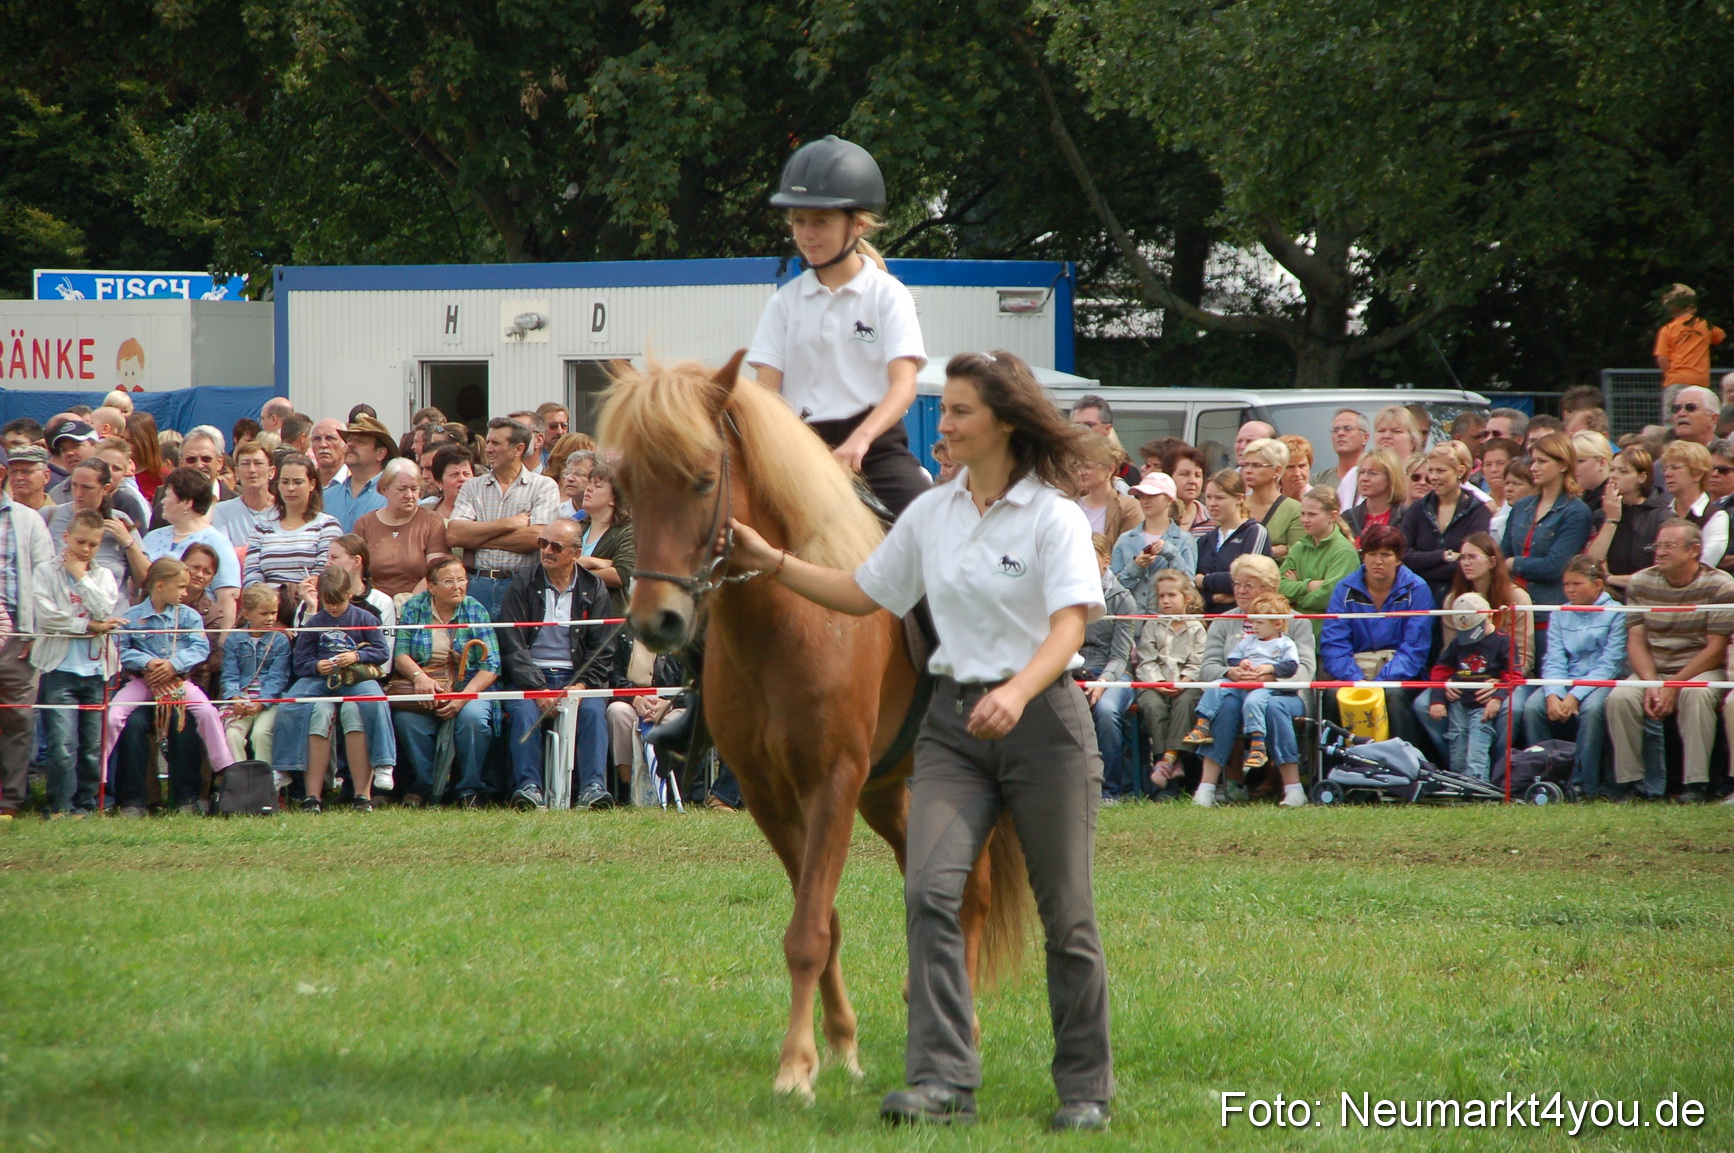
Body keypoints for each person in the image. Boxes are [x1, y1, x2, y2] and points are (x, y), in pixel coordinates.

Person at [725, 349, 1114, 1130]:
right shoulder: (932, 512)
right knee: (929, 891)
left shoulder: (1053, 516)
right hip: (952, 728)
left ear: (1004, 422)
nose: (945, 427)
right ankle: (941, 1081)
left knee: (1066, 914)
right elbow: (863, 591)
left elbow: (1072, 622)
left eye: (961, 411)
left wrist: (1015, 688)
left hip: (1043, 724)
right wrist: (774, 562)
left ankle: (1084, 1090)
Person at [747, 135, 930, 517]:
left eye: (821, 221)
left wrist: (861, 440)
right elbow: (765, 395)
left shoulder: (887, 294)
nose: (807, 234)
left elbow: (904, 385)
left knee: (930, 523)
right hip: (800, 449)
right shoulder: (784, 302)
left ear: (859, 224)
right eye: (799, 222)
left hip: (875, 451)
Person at [1608, 520, 1734, 802]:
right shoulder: (1641, 582)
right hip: (1654, 667)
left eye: (1669, 546)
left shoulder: (1720, 585)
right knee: (1620, 697)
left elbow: (1716, 649)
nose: (1660, 552)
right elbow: (1636, 641)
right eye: (1658, 545)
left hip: (1702, 668)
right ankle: (1632, 783)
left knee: (1695, 694)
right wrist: (1654, 683)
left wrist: (1675, 684)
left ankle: (1696, 783)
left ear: (1694, 551)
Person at [498, 518, 617, 811]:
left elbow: (602, 649)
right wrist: (537, 688)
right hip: (530, 675)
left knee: (592, 708)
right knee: (525, 710)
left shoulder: (594, 586)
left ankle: (593, 788)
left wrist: (579, 686)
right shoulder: (523, 582)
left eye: (556, 546)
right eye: (542, 543)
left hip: (576, 677)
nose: (546, 551)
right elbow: (511, 644)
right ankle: (529, 788)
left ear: (576, 553)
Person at [105, 558, 236, 816]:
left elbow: (200, 647)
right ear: (161, 586)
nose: (185, 593)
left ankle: (224, 768)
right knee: (113, 716)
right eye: (180, 587)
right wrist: (149, 663)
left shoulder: (189, 616)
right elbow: (122, 649)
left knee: (207, 712)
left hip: (178, 683)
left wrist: (173, 665)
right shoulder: (132, 617)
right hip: (143, 682)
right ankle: (102, 774)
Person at [1191, 556, 1316, 808]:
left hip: (1285, 695)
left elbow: (1305, 670)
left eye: (1249, 585)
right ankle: (1206, 788)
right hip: (1239, 692)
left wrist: (1272, 676)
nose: (1240, 590)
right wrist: (1230, 672)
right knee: (1224, 705)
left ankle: (1293, 788)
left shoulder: (1296, 621)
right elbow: (1207, 668)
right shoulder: (1225, 620)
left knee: (1272, 707)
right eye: (1237, 584)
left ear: (1270, 589)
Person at [271, 566, 397, 813]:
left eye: (337, 602)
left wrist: (356, 655)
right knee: (289, 704)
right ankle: (284, 767)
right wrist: (317, 665)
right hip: (321, 679)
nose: (333, 608)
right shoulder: (315, 622)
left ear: (349, 594)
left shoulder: (366, 618)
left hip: (356, 677)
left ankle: (384, 764)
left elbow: (382, 652)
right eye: (327, 603)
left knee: (377, 700)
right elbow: (300, 661)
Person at [31, 509, 125, 818]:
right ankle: (60, 805)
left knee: (92, 747)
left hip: (97, 671)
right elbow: (47, 617)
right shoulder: (45, 572)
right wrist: (86, 626)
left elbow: (104, 608)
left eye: (93, 544)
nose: (85, 549)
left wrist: (81, 577)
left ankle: (88, 805)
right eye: (80, 541)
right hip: (59, 670)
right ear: (66, 537)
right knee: (61, 745)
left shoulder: (103, 575)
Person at [391, 556, 499, 807]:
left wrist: (465, 696)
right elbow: (401, 655)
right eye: (449, 581)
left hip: (468, 683)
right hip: (427, 681)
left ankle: (469, 789)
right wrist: (420, 677)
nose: (458, 586)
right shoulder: (414, 608)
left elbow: (492, 665)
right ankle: (430, 787)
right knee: (407, 721)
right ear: (431, 586)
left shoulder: (475, 610)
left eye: (462, 580)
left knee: (473, 719)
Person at [1319, 525, 1435, 753]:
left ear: (1399, 559)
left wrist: (1383, 680)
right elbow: (1334, 643)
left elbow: (1415, 647)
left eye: (1385, 555)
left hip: (1399, 672)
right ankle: (1338, 770)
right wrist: (1355, 679)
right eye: (1371, 554)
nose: (1377, 561)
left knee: (1393, 694)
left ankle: (1406, 766)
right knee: (1332, 695)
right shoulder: (1344, 589)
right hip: (1355, 670)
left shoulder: (1417, 589)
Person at [1519, 557, 1626, 798]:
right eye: (1566, 584)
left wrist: (1574, 696)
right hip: (1566, 679)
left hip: (1601, 681)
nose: (1569, 590)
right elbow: (1554, 658)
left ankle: (1583, 784)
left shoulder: (1616, 613)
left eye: (1576, 584)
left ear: (1598, 584)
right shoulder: (1560, 613)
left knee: (1592, 710)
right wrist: (1553, 693)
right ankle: (1545, 778)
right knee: (1532, 708)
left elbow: (1610, 663)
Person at [447, 418, 561, 618]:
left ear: (518, 449)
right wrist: (509, 524)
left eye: (496, 443)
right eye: (488, 442)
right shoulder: (472, 486)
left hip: (521, 584)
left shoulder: (544, 486)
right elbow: (455, 535)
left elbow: (536, 538)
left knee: (517, 647)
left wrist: (478, 539)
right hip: (478, 584)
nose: (488, 449)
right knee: (475, 647)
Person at [1184, 591, 1299, 780]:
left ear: (1278, 624)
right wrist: (1240, 666)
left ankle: (1257, 744)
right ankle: (1202, 725)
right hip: (1241, 681)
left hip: (1265, 686)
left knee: (1254, 701)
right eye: (1252, 622)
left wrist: (1269, 669)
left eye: (1259, 623)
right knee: (1218, 686)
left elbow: (1291, 666)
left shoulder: (1286, 644)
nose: (1254, 626)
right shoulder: (1249, 641)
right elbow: (1233, 657)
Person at [0, 444, 55, 821]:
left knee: (18, 721)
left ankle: (11, 800)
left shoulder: (28, 520)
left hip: (18, 638)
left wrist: (34, 634)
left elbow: (45, 578)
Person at [1502, 431, 1593, 657]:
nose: (1534, 467)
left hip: (1548, 614)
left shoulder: (1576, 511)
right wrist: (1509, 563)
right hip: (1512, 610)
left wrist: (1514, 563)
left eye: (1542, 461)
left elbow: (1556, 566)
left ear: (1563, 465)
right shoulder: (1521, 506)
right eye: (1532, 461)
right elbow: (1501, 556)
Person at [136, 467, 241, 632]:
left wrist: (222, 643)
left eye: (168, 496)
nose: (162, 501)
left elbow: (227, 597)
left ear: (187, 502)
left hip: (195, 630)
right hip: (148, 628)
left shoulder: (217, 541)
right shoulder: (152, 537)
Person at [1424, 593, 1513, 781]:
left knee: (1477, 744)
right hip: (1458, 703)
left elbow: (1512, 674)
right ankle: (1458, 782)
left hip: (1482, 705)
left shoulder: (1503, 642)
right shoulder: (1458, 643)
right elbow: (1440, 670)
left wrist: (1498, 697)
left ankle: (1478, 783)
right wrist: (1437, 698)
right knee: (1456, 741)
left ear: (1489, 615)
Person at [1136, 570, 1207, 796]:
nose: (1165, 600)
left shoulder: (1197, 628)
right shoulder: (1152, 626)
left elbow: (1198, 661)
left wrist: (1184, 682)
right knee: (1152, 705)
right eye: (1161, 596)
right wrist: (1157, 683)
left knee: (1186, 703)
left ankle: (1167, 759)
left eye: (1171, 595)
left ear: (1186, 598)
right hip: (1156, 683)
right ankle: (1170, 761)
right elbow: (1146, 660)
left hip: (1186, 684)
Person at [1398, 440, 1492, 607]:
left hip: (1461, 601)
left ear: (1460, 471)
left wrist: (1422, 566)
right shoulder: (1417, 509)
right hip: (1417, 601)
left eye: (1441, 471)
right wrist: (1444, 556)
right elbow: (1402, 556)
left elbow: (1471, 564)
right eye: (1431, 470)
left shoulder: (1478, 512)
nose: (1433, 477)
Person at [1081, 535, 1137, 804]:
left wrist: (1103, 681)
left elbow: (1120, 656)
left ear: (1106, 561)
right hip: (1075, 670)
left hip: (1114, 673)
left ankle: (1110, 791)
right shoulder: (1065, 594)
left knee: (1105, 710)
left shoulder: (1123, 600)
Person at [242, 452, 343, 597]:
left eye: (297, 482)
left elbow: (325, 570)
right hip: (268, 606)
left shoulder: (327, 525)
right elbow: (252, 573)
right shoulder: (263, 527)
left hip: (308, 602)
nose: (290, 488)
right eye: (285, 482)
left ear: (312, 484)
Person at [353, 459, 449, 599]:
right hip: (373, 603)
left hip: (419, 603)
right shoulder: (365, 524)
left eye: (414, 489)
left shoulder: (431, 521)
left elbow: (436, 571)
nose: (409, 495)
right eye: (402, 489)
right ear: (384, 489)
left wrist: (410, 602)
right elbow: (355, 572)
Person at [220, 584, 292, 766]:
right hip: (242, 700)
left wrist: (261, 703)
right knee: (232, 734)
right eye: (264, 614)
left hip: (269, 702)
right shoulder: (234, 640)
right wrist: (235, 698)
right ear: (247, 614)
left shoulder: (280, 641)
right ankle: (240, 781)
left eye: (273, 613)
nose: (270, 618)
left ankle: (266, 781)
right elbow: (229, 675)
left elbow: (278, 678)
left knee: (260, 733)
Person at [1279, 486, 1361, 638]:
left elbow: (1329, 597)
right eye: (1303, 514)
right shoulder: (1299, 547)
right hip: (1295, 636)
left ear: (1333, 516)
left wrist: (1296, 598)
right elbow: (1279, 587)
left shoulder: (1344, 552)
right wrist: (1310, 586)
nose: (1305, 519)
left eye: (1312, 514)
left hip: (1328, 637)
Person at [1586, 447, 1667, 597]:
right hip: (1611, 598)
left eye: (1623, 471)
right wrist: (1611, 520)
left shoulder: (1661, 516)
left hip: (1650, 597)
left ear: (1642, 477)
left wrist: (1610, 578)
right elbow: (1592, 564)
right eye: (1612, 470)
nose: (1614, 476)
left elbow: (1659, 574)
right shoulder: (1602, 513)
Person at [1109, 472, 1196, 611]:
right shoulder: (1124, 540)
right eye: (1141, 495)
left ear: (1169, 499)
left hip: (1167, 625)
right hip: (1132, 625)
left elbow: (1188, 586)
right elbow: (1114, 590)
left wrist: (1170, 552)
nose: (1145, 500)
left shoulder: (1185, 540)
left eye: (1152, 495)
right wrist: (1135, 566)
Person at [1194, 469, 1272, 610]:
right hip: (1208, 622)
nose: (1212, 503)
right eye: (1209, 497)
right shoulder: (1204, 541)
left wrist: (1204, 580)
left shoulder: (1255, 532)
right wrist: (1212, 597)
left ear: (1240, 499)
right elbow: (1192, 585)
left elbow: (1248, 577)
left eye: (1219, 498)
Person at [1653, 284, 1725, 418]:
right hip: (1700, 380)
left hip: (1676, 379)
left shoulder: (1667, 329)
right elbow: (1720, 337)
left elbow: (1662, 357)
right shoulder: (1703, 324)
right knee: (1701, 417)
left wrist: (1670, 374)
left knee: (1672, 419)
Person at [576, 461, 635, 618]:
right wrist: (597, 563)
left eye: (598, 485)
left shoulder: (627, 531)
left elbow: (620, 575)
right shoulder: (577, 528)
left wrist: (576, 568)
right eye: (589, 483)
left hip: (607, 617)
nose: (588, 488)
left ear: (613, 499)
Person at [1657, 439, 1729, 567]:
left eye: (1675, 468)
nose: (1667, 474)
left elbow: (1705, 563)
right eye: (1666, 469)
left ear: (1698, 474)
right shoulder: (1660, 513)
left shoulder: (1715, 517)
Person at [324, 414, 395, 531]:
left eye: (361, 441)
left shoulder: (396, 496)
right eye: (349, 441)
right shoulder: (327, 496)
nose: (350, 445)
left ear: (380, 453)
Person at [1240, 438, 1301, 559]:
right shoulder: (1238, 506)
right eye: (1245, 465)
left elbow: (1296, 556)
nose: (1248, 470)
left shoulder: (1295, 510)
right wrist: (1271, 551)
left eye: (1256, 465)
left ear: (1276, 471)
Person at [324, 534, 397, 635]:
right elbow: (302, 645)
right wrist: (310, 609)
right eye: (327, 558)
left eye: (334, 557)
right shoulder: (315, 599)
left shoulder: (381, 602)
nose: (327, 564)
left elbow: (384, 648)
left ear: (356, 561)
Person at [211, 439, 278, 548]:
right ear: (237, 472)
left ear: (272, 471)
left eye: (258, 463)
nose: (251, 470)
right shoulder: (222, 511)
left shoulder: (283, 510)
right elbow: (223, 552)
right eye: (245, 464)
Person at [1343, 448, 1406, 543]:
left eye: (1372, 473)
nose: (1364, 478)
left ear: (1391, 477)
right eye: (1362, 472)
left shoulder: (1406, 517)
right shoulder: (1348, 518)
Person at [1075, 454, 1140, 542]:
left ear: (1110, 469)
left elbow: (1131, 548)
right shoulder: (1073, 505)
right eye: (1078, 467)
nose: (1081, 472)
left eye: (1088, 467)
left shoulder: (1129, 507)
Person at [1162, 444, 1215, 542]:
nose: (1193, 481)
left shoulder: (1213, 522)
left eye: (1198, 475)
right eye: (1185, 474)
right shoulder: (1156, 518)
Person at [1571, 431, 1615, 533]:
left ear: (1602, 462)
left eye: (1580, 461)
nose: (1573, 467)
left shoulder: (1611, 499)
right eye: (1570, 461)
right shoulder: (1586, 495)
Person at [1479, 436, 1521, 541]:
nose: (1493, 469)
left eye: (1500, 463)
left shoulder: (1522, 503)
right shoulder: (1477, 502)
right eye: (1488, 464)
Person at [422, 443, 475, 522]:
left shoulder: (483, 512)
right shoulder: (424, 513)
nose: (462, 479)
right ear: (439, 482)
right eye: (455, 475)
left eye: (466, 474)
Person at [125, 412, 168, 501]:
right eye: (121, 438)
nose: (124, 444)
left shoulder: (163, 477)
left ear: (145, 443)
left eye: (130, 441)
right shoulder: (113, 471)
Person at [6, 445, 56, 520]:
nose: (18, 477)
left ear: (45, 476)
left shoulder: (60, 515)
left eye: (26, 471)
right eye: (13, 472)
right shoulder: (4, 514)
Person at [554, 449, 597, 521]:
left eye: (578, 474)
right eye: (567, 473)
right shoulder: (556, 514)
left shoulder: (603, 516)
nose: (570, 478)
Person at [309, 418, 349, 488]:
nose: (323, 445)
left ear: (345, 445)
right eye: (317, 439)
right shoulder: (306, 483)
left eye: (330, 438)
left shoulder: (358, 483)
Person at [1278, 434, 1313, 502]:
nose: (1297, 473)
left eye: (1302, 466)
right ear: (1278, 470)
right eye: (1290, 467)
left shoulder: (1321, 503)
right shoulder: (1266, 502)